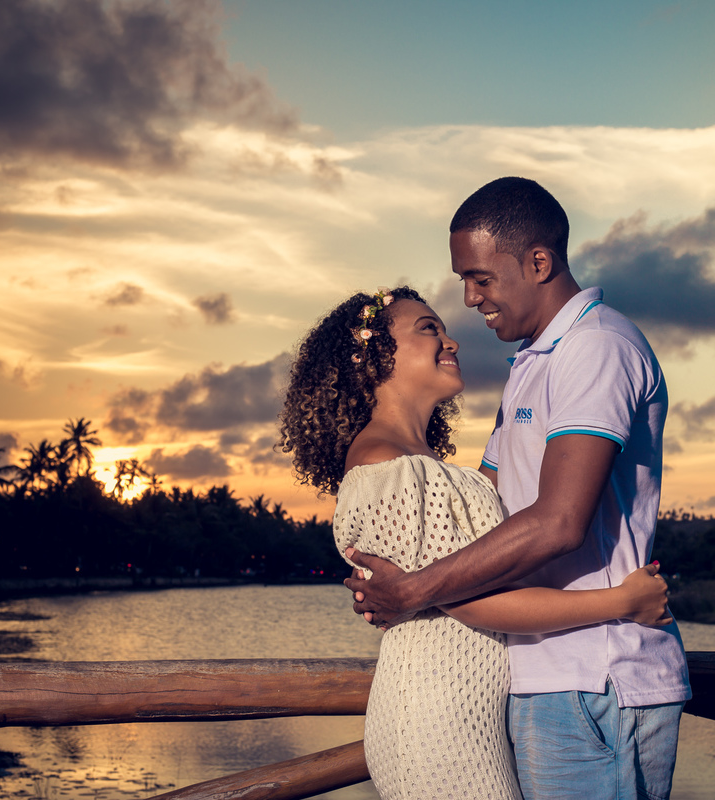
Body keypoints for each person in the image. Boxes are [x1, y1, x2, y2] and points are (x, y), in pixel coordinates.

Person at [344, 178, 691, 800]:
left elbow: (559, 521)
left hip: (598, 677)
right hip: (538, 676)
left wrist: (413, 589)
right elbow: (483, 506)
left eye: (480, 278)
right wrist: (392, 561)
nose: (471, 298)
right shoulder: (533, 366)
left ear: (538, 261)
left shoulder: (595, 347)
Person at [277, 286, 675, 800]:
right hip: (437, 720)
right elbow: (468, 599)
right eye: (427, 329)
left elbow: (444, 582)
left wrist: (412, 591)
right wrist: (621, 601)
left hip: (467, 712)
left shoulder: (427, 464)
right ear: (374, 360)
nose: (451, 342)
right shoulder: (383, 467)